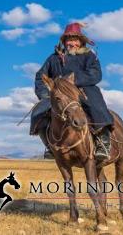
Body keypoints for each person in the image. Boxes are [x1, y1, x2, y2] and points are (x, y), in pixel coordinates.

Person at [32, 22, 114, 160]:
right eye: (69, 40)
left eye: (75, 40)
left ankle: (103, 143)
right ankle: (50, 146)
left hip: (84, 89)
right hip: (59, 94)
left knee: (97, 107)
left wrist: (72, 81)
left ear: (81, 42)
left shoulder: (89, 56)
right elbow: (41, 76)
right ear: (64, 42)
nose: (72, 43)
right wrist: (45, 95)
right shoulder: (54, 58)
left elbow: (95, 74)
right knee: (38, 112)